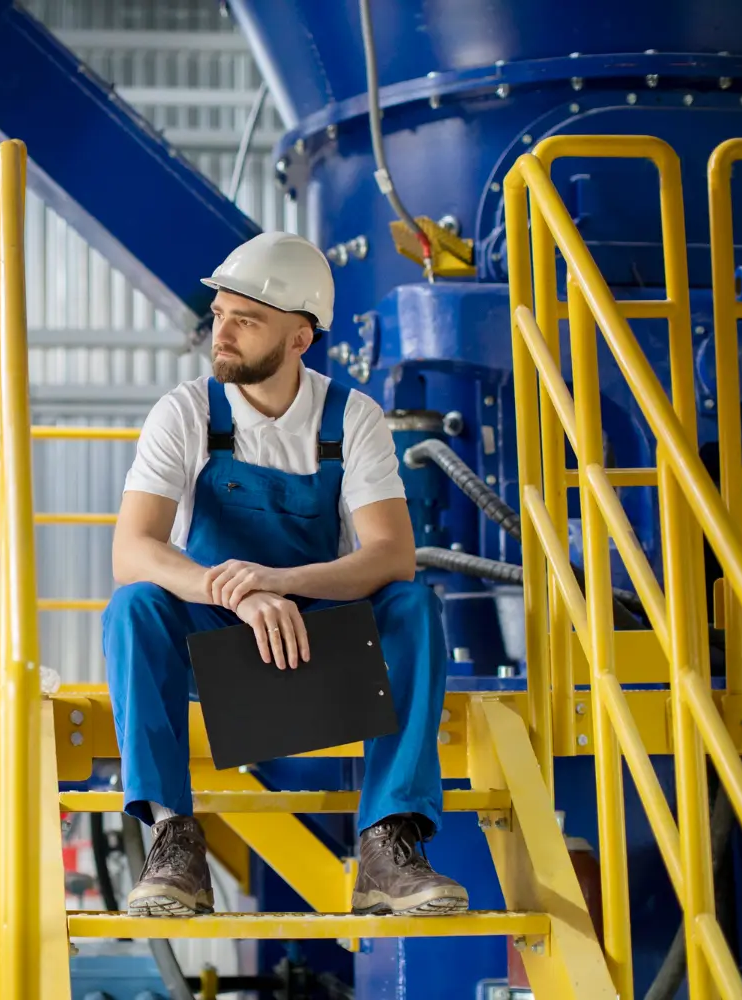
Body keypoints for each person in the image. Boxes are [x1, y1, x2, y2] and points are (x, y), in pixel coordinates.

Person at [103, 232, 468, 919]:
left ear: (300, 338)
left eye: (246, 320)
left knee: (414, 607)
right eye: (220, 314)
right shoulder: (186, 412)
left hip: (310, 638)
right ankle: (174, 842)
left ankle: (388, 841)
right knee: (135, 606)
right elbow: (133, 550)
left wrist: (281, 583)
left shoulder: (350, 418)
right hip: (215, 641)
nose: (224, 333)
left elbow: (391, 554)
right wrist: (233, 591)